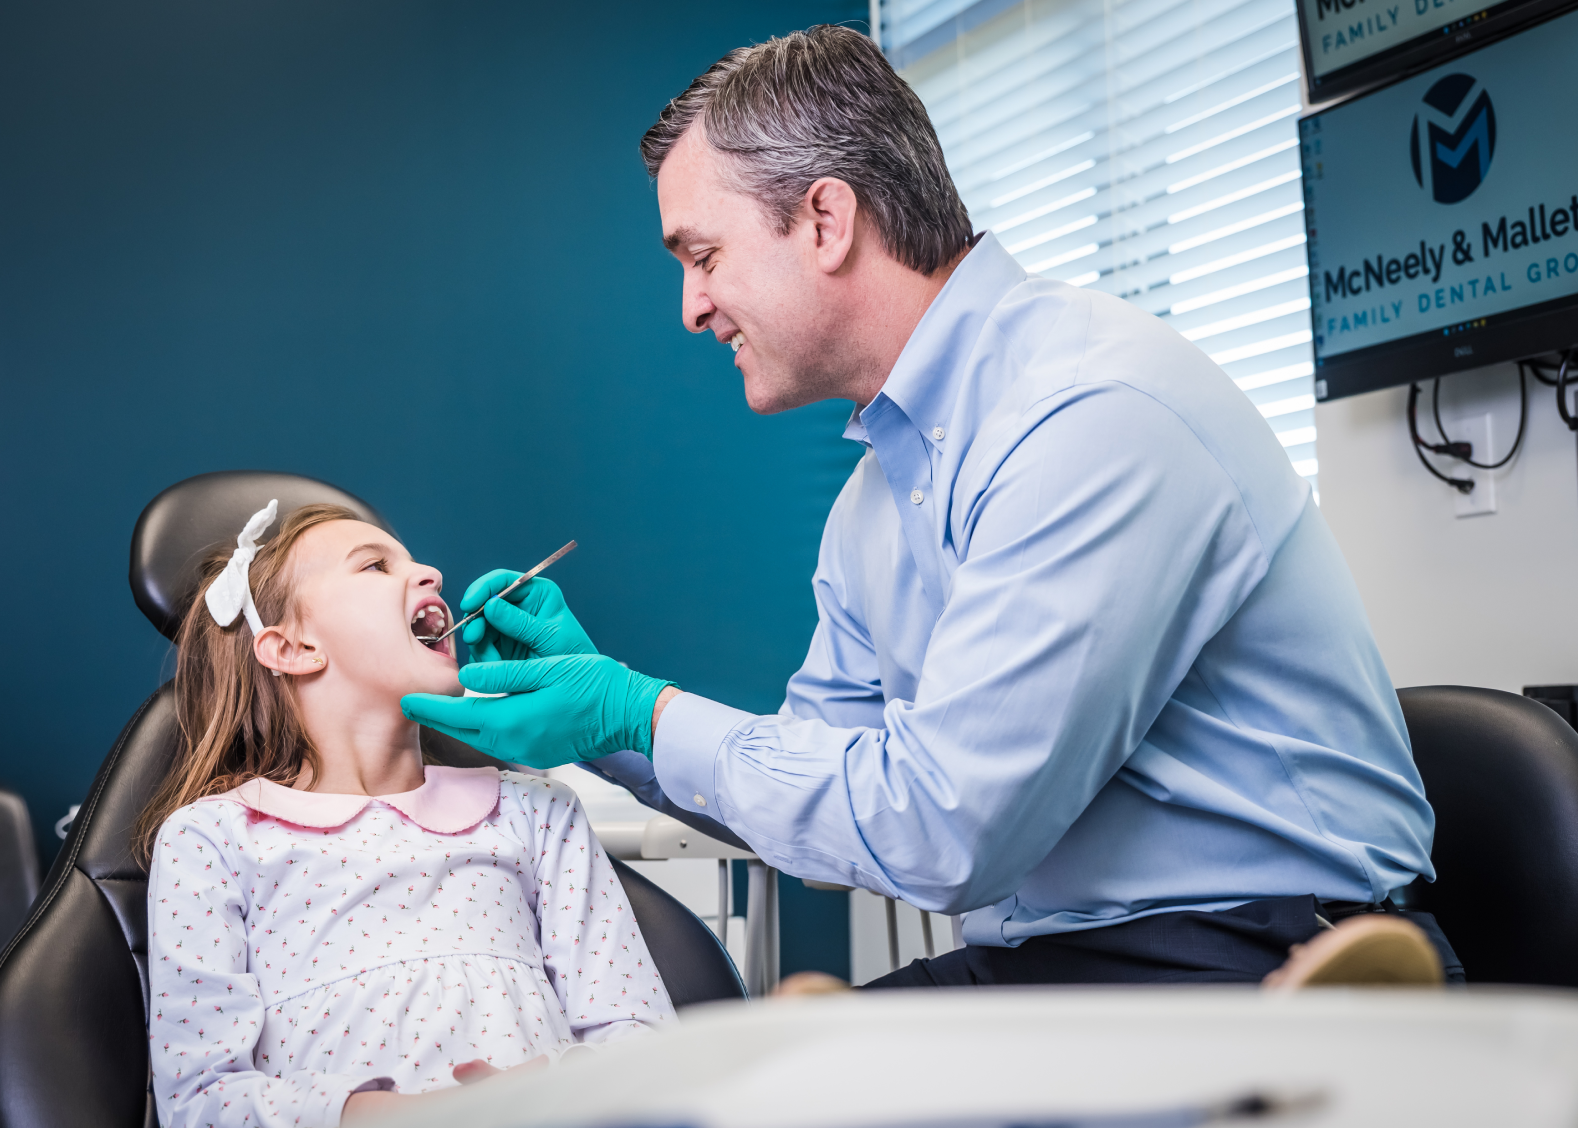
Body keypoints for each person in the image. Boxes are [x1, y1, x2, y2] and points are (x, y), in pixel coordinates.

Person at [402, 26, 1461, 987]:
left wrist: (635, 706)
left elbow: (943, 829)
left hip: (1265, 958)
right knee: (745, 1085)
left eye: (704, 256)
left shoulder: (1089, 414)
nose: (691, 308)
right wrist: (610, 729)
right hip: (1064, 967)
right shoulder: (877, 498)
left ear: (824, 219)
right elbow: (825, 799)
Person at [141, 501, 673, 1128]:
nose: (431, 573)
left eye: (413, 559)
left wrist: (547, 1092)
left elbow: (644, 1040)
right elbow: (201, 1100)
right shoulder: (213, 840)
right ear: (292, 648)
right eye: (374, 566)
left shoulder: (536, 813)